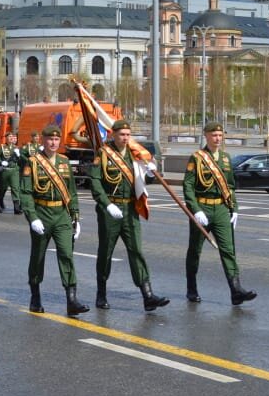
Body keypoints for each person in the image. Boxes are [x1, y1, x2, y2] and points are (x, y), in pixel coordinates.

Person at [89, 120, 168, 311]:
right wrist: (106, 205)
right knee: (106, 252)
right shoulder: (104, 154)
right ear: (113, 134)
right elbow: (95, 182)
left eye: (127, 134)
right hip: (111, 210)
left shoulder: (134, 154)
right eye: (121, 134)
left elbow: (140, 178)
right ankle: (101, 293)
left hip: (130, 209)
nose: (124, 138)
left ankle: (147, 295)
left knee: (136, 251)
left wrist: (149, 172)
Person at [183, 121, 256, 306]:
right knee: (195, 251)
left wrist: (234, 209)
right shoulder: (197, 158)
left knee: (228, 250)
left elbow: (230, 186)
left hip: (222, 209)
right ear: (206, 136)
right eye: (214, 135)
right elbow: (188, 186)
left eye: (220, 135)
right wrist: (196, 209)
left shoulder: (225, 158)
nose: (218, 138)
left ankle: (236, 291)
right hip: (203, 208)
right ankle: (191, 288)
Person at [19, 125, 87, 316]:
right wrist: (32, 218)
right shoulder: (32, 162)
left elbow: (72, 192)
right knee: (38, 256)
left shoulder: (65, 162)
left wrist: (75, 217)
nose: (53, 143)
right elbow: (25, 193)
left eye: (57, 140)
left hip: (62, 216)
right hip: (42, 213)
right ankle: (35, 295)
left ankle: (72, 300)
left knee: (66, 254)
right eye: (50, 139)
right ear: (43, 140)